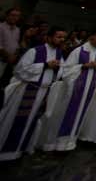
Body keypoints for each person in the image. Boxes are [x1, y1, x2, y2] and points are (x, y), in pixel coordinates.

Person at [0, 26, 65, 161]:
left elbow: (61, 72)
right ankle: (6, 153)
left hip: (43, 91)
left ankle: (21, 149)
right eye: (58, 37)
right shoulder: (35, 51)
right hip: (28, 90)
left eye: (63, 37)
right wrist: (45, 65)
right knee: (16, 121)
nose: (61, 39)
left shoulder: (59, 53)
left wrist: (57, 68)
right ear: (49, 37)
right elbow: (19, 70)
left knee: (32, 122)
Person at [39, 29, 96, 152]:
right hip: (76, 87)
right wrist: (84, 66)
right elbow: (67, 69)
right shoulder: (79, 50)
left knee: (81, 113)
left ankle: (71, 141)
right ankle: (59, 143)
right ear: (92, 36)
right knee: (68, 113)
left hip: (90, 88)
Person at [0, 8, 21, 82]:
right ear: (7, 16)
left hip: (9, 61)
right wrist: (9, 56)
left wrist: (15, 55)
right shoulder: (1, 27)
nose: (15, 17)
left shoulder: (17, 29)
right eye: (12, 15)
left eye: (17, 16)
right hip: (1, 58)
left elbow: (16, 44)